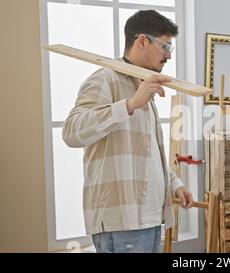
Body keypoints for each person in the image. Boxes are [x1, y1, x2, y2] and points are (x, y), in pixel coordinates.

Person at [62, 10, 193, 253]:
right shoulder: (105, 79)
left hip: (150, 217)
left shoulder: (143, 84)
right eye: (165, 46)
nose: (168, 56)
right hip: (123, 220)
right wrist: (130, 104)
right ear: (142, 40)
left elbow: (146, 152)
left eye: (170, 49)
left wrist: (173, 184)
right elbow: (72, 132)